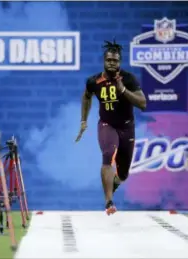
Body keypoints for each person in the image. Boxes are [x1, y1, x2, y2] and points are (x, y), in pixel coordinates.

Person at [75, 40, 147, 215]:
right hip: (107, 125)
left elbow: (143, 103)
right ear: (104, 61)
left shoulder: (128, 79)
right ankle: (109, 202)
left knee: (123, 174)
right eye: (109, 60)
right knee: (107, 154)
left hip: (127, 128)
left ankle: (113, 183)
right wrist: (83, 121)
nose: (112, 64)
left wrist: (123, 91)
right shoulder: (94, 81)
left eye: (115, 61)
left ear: (120, 62)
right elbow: (86, 96)